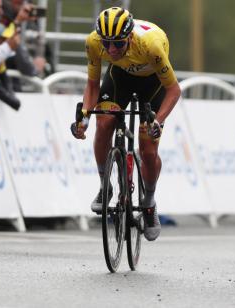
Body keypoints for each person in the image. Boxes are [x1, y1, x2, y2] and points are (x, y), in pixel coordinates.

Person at [70, 7, 181, 241]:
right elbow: (92, 85)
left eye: (118, 44)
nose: (111, 49)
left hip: (154, 84)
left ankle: (149, 203)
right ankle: (105, 186)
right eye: (107, 43)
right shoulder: (93, 42)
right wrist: (85, 117)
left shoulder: (151, 45)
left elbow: (173, 90)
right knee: (103, 125)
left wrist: (158, 122)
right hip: (120, 76)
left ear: (130, 37)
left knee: (149, 151)